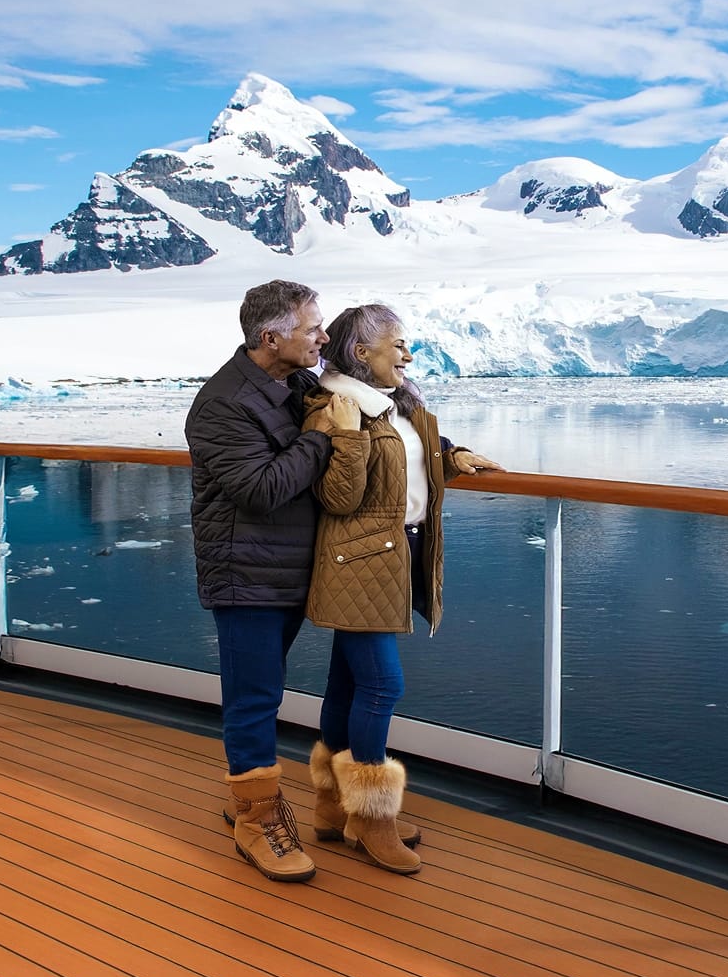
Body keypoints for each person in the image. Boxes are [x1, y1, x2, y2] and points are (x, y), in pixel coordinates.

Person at [304, 303, 503, 875]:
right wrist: (347, 437)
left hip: (395, 552)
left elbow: (409, 458)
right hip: (358, 559)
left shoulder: (395, 403)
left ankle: (330, 802)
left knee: (348, 682)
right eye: (398, 345)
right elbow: (340, 498)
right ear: (362, 353)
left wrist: (451, 456)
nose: (409, 355)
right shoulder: (335, 408)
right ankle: (369, 817)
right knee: (382, 686)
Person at [185, 279, 335, 882]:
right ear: (270, 338)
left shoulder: (296, 382)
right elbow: (261, 489)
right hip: (245, 571)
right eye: (311, 328)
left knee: (263, 690)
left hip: (288, 566)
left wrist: (445, 450)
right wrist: (321, 436)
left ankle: (259, 806)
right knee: (255, 698)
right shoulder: (223, 403)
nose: (323, 337)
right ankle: (255, 823)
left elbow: (375, 417)